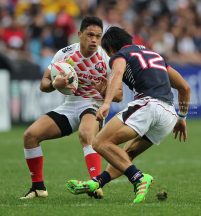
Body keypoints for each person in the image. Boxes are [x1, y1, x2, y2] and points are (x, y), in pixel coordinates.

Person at [66, 26, 190, 203]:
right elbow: (184, 88)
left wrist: (106, 102)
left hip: (148, 105)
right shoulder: (155, 55)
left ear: (110, 49)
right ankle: (97, 182)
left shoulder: (120, 55)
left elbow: (117, 73)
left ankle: (139, 178)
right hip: (168, 114)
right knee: (126, 154)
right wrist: (182, 118)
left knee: (100, 142)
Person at [20, 17, 123, 199]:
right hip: (70, 106)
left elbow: (120, 94)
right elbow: (43, 84)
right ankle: (38, 188)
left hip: (93, 105)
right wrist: (54, 83)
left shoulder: (106, 58)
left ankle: (95, 184)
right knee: (30, 135)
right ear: (79, 35)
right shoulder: (65, 54)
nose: (94, 40)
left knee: (85, 134)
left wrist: (105, 89)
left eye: (98, 36)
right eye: (90, 35)